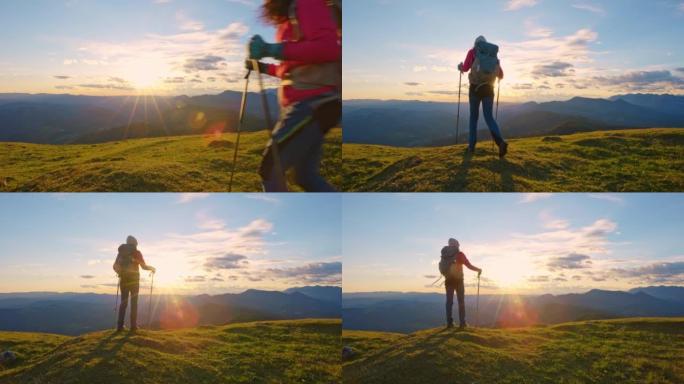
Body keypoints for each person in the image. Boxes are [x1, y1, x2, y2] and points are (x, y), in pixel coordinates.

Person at [246, 0, 342, 192]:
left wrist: (272, 50)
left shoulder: (307, 2)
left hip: (312, 104)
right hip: (316, 105)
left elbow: (328, 48)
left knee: (270, 169)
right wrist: (263, 66)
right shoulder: (289, 14)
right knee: (305, 176)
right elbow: (292, 69)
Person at [458, 35, 508, 158]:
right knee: (489, 117)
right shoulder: (491, 55)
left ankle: (471, 146)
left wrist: (460, 67)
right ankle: (500, 142)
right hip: (489, 90)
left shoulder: (473, 52)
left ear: (476, 43)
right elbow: (501, 74)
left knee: (473, 118)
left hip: (475, 89)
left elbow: (465, 67)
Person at [113, 235, 155, 332]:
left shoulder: (121, 253)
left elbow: (115, 266)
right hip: (134, 281)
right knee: (134, 303)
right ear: (135, 243)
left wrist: (120, 273)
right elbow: (143, 267)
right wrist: (152, 268)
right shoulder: (137, 253)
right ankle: (133, 326)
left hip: (123, 280)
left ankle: (120, 326)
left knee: (124, 303)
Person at [441, 238, 481, 329]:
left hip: (448, 281)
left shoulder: (445, 254)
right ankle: (462, 323)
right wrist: (478, 270)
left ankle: (449, 323)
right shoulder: (460, 254)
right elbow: (468, 265)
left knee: (449, 302)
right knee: (461, 302)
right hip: (459, 281)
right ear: (457, 245)